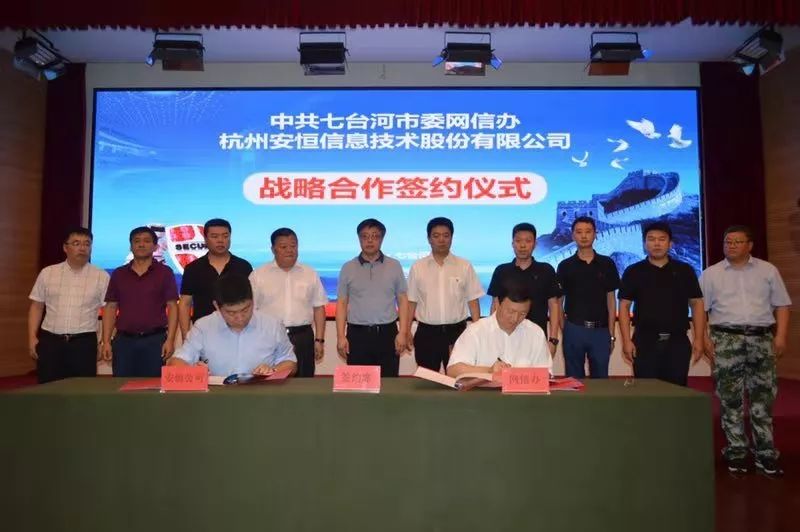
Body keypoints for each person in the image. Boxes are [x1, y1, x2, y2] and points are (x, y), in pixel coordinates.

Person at [700, 225, 792, 478]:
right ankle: (737, 451)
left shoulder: (768, 271)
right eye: (727, 242)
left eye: (737, 242)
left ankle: (766, 453)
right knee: (730, 398)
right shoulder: (711, 274)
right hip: (726, 340)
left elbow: (782, 305)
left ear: (749, 245)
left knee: (763, 397)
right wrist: (704, 338)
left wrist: (781, 336)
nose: (731, 246)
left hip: (761, 340)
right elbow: (700, 309)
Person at [618, 222, 705, 386]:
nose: (656, 243)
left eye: (662, 239)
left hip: (677, 342)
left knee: (677, 391)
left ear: (670, 243)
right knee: (647, 391)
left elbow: (696, 303)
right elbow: (624, 306)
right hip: (644, 342)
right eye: (651, 239)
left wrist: (699, 338)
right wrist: (626, 341)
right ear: (645, 244)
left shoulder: (684, 270)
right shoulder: (633, 271)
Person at [169, 273, 297, 377]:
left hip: (261, 395)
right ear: (216, 306)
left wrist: (273, 371)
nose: (240, 318)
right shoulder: (203, 327)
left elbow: (290, 362)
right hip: (217, 395)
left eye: (245, 310)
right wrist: (193, 372)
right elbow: (176, 361)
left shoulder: (272, 325)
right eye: (231, 313)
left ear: (252, 301)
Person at [27, 227, 109, 383]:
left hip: (84, 343)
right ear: (65, 248)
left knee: (82, 389)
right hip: (51, 341)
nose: (82, 248)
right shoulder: (48, 273)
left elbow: (107, 311)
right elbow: (37, 306)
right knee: (48, 388)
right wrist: (32, 337)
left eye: (87, 244)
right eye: (76, 243)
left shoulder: (101, 276)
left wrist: (104, 342)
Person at [405, 217, 483, 373]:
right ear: (429, 239)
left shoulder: (464, 266)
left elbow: (473, 301)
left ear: (452, 238)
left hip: (457, 333)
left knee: (459, 378)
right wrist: (406, 331)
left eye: (446, 235)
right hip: (427, 333)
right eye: (436, 235)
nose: (441, 240)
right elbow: (411, 302)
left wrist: (478, 332)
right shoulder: (418, 267)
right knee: (427, 379)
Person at [102, 226, 179, 377]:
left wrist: (170, 340)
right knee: (121, 385)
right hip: (124, 341)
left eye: (147, 241)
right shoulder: (119, 274)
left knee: (153, 386)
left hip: (154, 340)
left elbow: (172, 307)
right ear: (131, 246)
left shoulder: (165, 272)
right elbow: (111, 307)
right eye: (136, 241)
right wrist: (105, 342)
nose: (141, 244)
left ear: (155, 246)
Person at [250, 228, 327, 377]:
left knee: (304, 381)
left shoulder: (309, 273)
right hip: (270, 337)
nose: (289, 250)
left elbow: (319, 307)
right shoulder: (258, 275)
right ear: (273, 249)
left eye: (293, 246)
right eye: (283, 247)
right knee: (270, 380)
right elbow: (250, 310)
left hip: (303, 336)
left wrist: (319, 340)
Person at [336, 218, 408, 377]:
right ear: (359, 238)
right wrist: (341, 336)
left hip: (387, 333)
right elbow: (341, 303)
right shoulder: (348, 267)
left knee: (389, 382)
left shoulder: (394, 266)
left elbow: (403, 300)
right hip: (357, 335)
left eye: (375, 236)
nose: (370, 240)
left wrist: (403, 332)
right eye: (365, 236)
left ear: (382, 238)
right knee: (359, 383)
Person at [557, 216, 620, 378]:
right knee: (573, 380)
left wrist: (611, 334)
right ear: (573, 235)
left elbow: (611, 301)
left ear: (595, 234)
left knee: (601, 380)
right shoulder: (565, 266)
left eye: (588, 231)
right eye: (579, 232)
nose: (584, 236)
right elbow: (559, 302)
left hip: (601, 331)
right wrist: (565, 329)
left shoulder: (607, 264)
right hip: (574, 328)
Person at [447, 281, 552, 377]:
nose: (515, 319)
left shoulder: (535, 333)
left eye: (523, 314)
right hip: (485, 392)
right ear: (497, 303)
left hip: (523, 392)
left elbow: (546, 374)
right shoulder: (476, 331)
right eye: (511, 311)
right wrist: (489, 371)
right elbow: (453, 370)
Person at [487, 222, 562, 355]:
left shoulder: (546, 270)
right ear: (512, 244)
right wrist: (493, 337)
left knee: (537, 369)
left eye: (528, 241)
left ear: (535, 244)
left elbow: (554, 305)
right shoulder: (501, 271)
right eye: (518, 241)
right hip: (506, 338)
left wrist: (553, 339)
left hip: (537, 339)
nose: (522, 245)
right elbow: (495, 305)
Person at [178, 218, 252, 337]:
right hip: (203, 333)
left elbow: (250, 301)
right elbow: (185, 303)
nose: (220, 240)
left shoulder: (243, 266)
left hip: (239, 332)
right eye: (214, 236)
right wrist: (186, 336)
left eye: (225, 236)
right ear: (205, 239)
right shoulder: (193, 268)